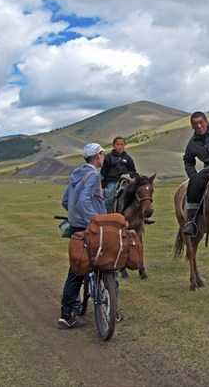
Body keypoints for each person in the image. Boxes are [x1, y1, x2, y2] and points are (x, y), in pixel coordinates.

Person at [58, 143, 122, 328]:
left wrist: (74, 216)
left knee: (77, 269)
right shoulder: (93, 175)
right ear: (97, 156)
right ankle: (110, 309)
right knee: (103, 262)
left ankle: (67, 313)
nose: (103, 157)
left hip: (75, 228)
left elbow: (65, 200)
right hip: (89, 229)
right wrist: (92, 221)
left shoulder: (76, 173)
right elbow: (85, 199)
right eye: (102, 154)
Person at [101, 136, 155, 224]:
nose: (120, 146)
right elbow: (103, 173)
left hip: (126, 181)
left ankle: (143, 216)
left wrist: (127, 175)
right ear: (114, 145)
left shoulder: (128, 158)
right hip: (113, 182)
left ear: (124, 146)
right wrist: (103, 186)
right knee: (109, 197)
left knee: (141, 194)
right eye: (117, 144)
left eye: (122, 144)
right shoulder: (109, 157)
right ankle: (107, 217)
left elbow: (133, 171)